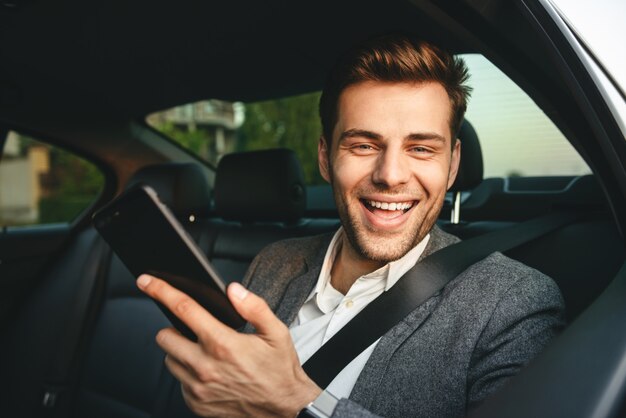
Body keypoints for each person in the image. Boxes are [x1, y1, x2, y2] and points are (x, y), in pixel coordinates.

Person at [136, 34, 564, 417]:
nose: (391, 174)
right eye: (363, 144)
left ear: (452, 165)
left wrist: (296, 402)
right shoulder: (275, 261)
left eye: (420, 148)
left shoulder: (511, 305)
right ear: (325, 157)